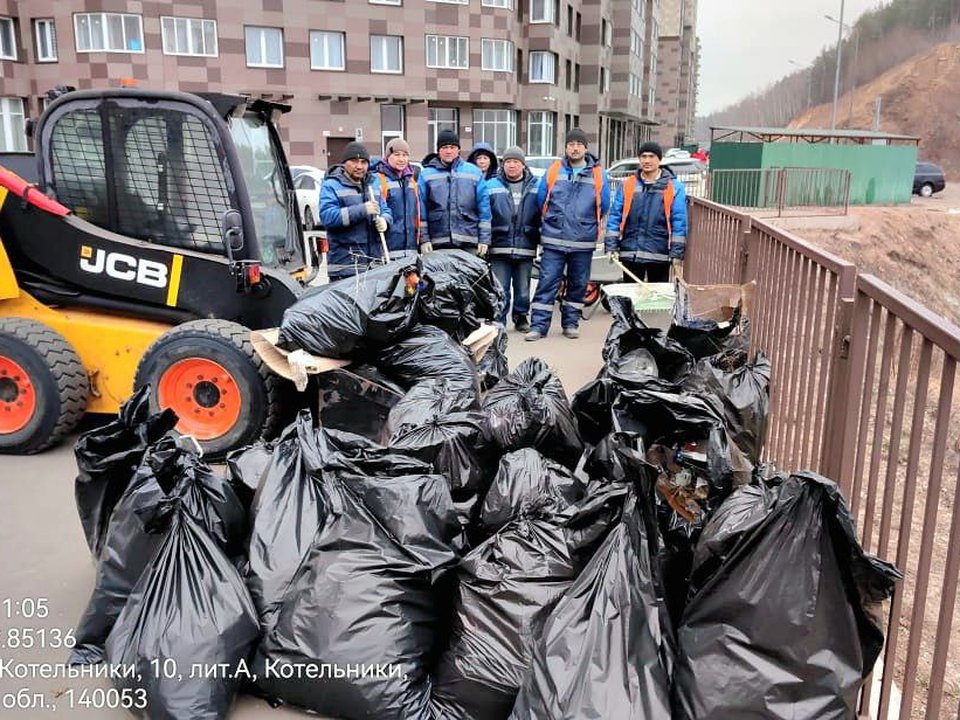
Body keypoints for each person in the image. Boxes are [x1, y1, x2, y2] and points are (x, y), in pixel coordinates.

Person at [527, 129, 610, 341]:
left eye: (579, 144)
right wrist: (554, 219)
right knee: (547, 282)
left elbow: (605, 203)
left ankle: (570, 323)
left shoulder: (598, 174)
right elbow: (541, 199)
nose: (574, 147)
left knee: (578, 284)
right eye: (571, 143)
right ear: (566, 148)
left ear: (585, 148)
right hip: (554, 239)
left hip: (582, 240)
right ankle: (538, 326)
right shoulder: (554, 170)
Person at [604, 141, 687, 283]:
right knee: (630, 297)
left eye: (651, 156)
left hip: (659, 254)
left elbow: (679, 222)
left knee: (657, 300)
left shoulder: (674, 188)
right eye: (643, 156)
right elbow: (615, 216)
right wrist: (611, 245)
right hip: (631, 252)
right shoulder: (627, 185)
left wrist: (676, 253)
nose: (647, 160)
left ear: (659, 159)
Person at [485, 146, 540, 332]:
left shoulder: (536, 186)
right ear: (503, 164)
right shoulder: (491, 185)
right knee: (501, 288)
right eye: (508, 162)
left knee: (523, 288)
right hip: (499, 246)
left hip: (526, 244)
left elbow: (542, 213)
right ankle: (499, 319)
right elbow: (485, 214)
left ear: (523, 165)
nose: (512, 165)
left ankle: (521, 316)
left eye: (516, 162)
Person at [319, 142, 391, 280]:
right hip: (345, 268)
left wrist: (385, 220)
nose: (359, 166)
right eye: (354, 161)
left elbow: (385, 209)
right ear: (345, 163)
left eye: (364, 162)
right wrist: (362, 209)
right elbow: (327, 217)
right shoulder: (331, 185)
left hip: (373, 266)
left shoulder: (373, 184)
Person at [418, 129, 491, 256]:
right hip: (437, 242)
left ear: (458, 149)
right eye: (445, 147)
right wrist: (424, 239)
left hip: (468, 241)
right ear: (438, 150)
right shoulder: (426, 175)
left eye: (452, 147)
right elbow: (421, 210)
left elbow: (484, 208)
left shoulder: (474, 172)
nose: (449, 151)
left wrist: (484, 239)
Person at [371, 137, 421, 261]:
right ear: (387, 156)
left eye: (405, 155)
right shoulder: (378, 179)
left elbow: (417, 214)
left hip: (410, 250)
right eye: (397, 154)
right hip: (387, 250)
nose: (401, 159)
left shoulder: (411, 181)